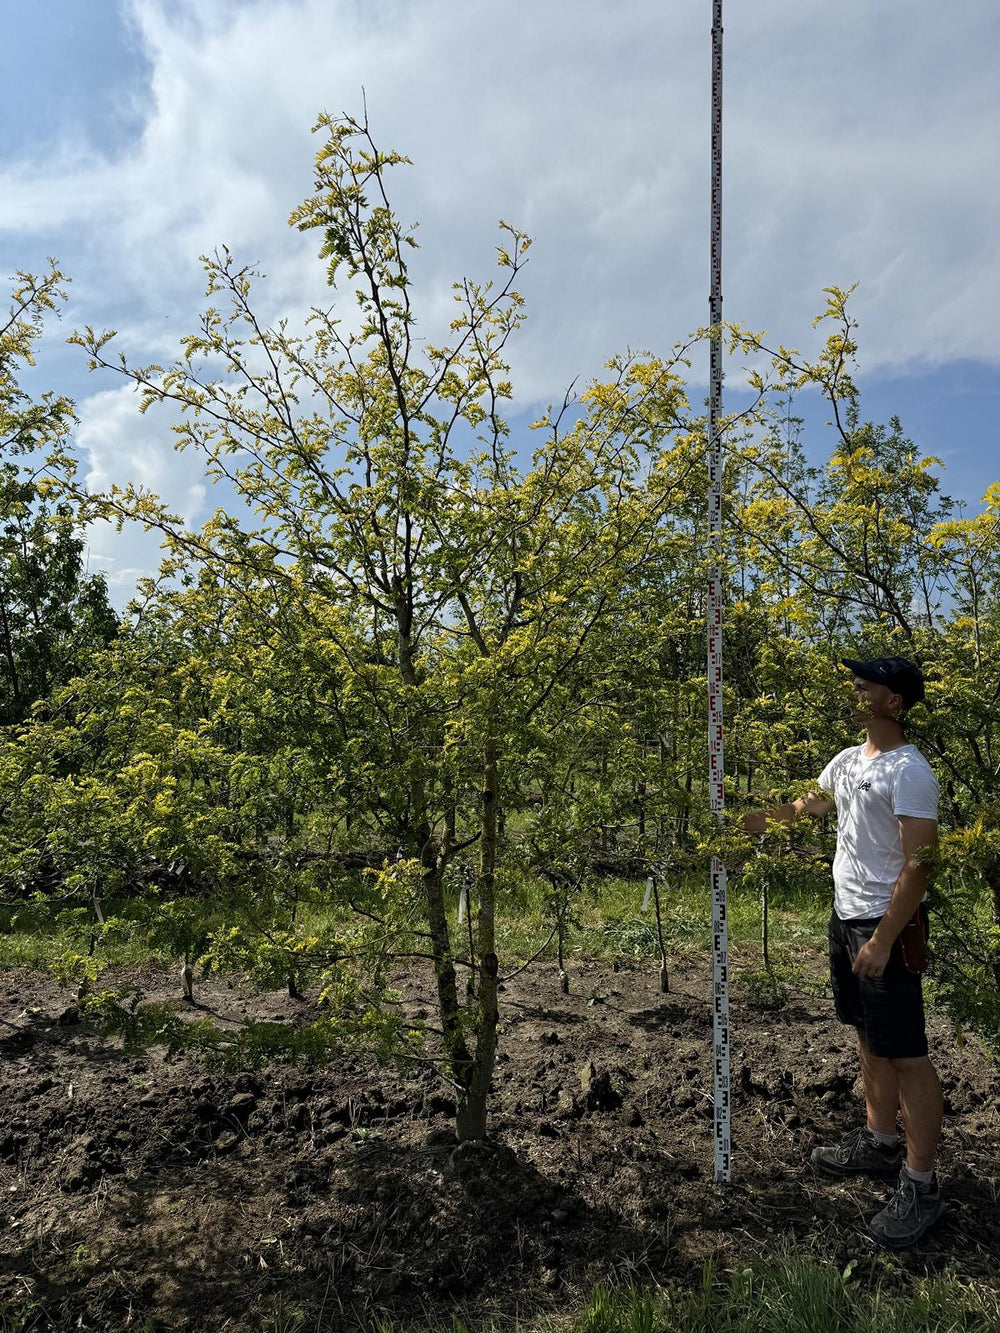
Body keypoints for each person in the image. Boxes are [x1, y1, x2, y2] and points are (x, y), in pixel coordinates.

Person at [743, 656, 942, 1249]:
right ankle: (881, 1142)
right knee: (867, 1035)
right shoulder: (848, 760)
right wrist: (745, 823)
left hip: (886, 927)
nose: (854, 690)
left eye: (867, 684)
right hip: (845, 918)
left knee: (906, 1054)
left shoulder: (909, 771)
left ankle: (922, 1184)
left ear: (894, 703)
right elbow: (805, 809)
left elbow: (922, 864)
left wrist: (883, 938)